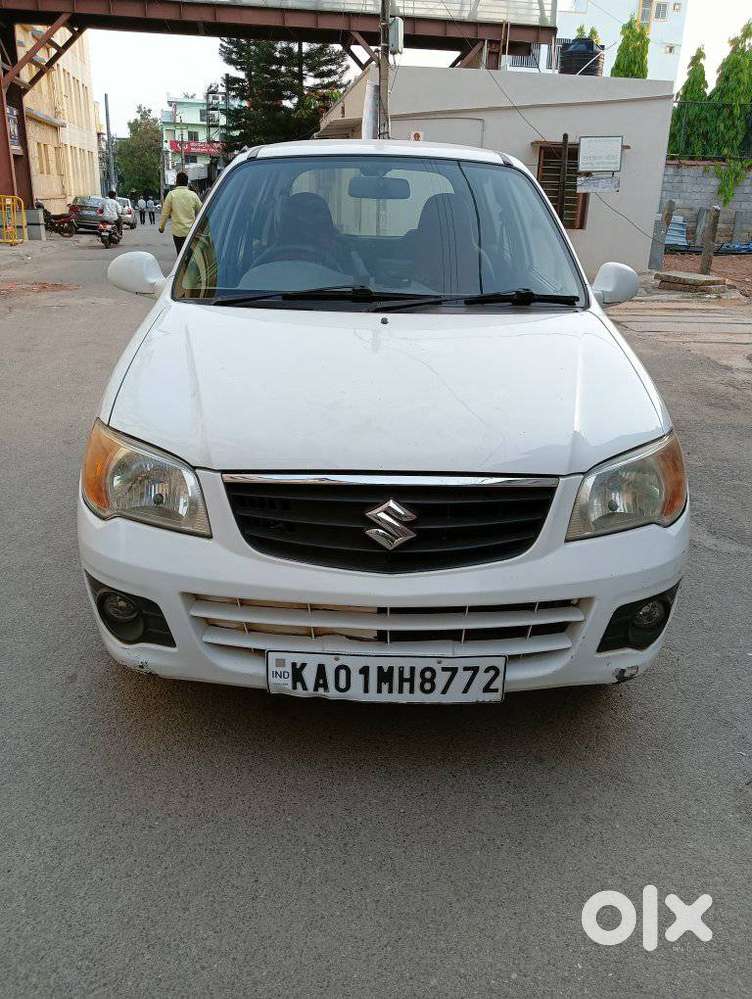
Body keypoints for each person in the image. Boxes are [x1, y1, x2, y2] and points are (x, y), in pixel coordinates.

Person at [159, 172, 202, 255]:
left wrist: (161, 227)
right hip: (191, 231)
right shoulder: (193, 195)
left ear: (176, 182)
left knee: (180, 254)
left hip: (177, 233)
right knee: (190, 255)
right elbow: (201, 210)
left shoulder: (171, 195)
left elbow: (165, 213)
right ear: (186, 182)